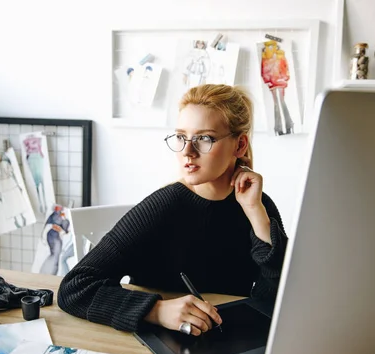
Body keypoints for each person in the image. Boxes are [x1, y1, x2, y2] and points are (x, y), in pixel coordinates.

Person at [58, 84, 288, 337]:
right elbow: (74, 288)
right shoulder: (163, 206)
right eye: (181, 137)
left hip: (228, 340)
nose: (187, 152)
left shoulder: (259, 204)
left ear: (240, 145)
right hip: (162, 345)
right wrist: (156, 310)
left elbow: (281, 298)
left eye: (204, 138)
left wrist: (256, 213)